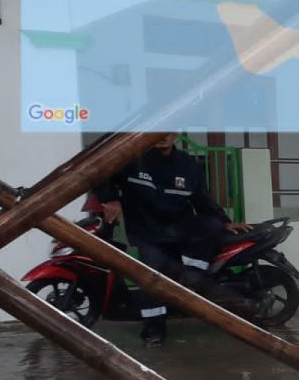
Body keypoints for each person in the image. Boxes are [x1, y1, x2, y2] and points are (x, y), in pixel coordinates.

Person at [94, 133, 255, 347]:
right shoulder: (132, 160)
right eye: (157, 131)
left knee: (211, 226)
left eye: (168, 132)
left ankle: (192, 279)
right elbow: (100, 174)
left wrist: (224, 221)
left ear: (176, 134)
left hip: (180, 229)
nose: (162, 136)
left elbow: (202, 198)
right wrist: (110, 198)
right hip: (147, 232)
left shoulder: (188, 165)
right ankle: (154, 329)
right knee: (150, 277)